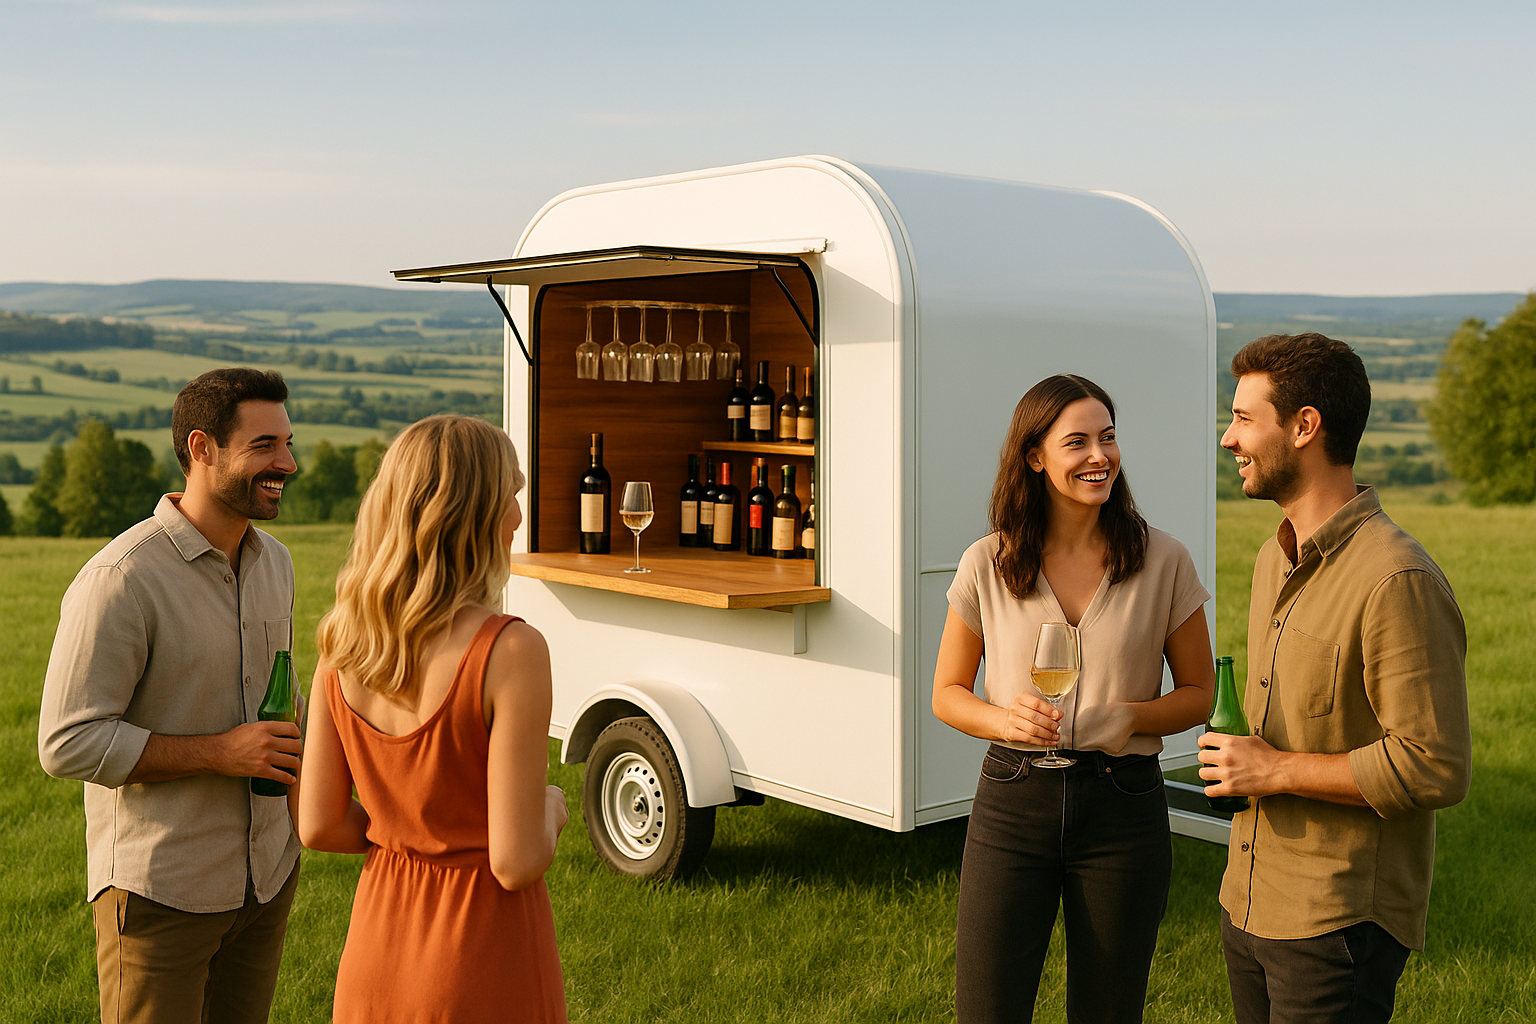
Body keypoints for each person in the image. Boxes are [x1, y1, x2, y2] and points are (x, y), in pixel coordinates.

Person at [1202, 333, 1471, 1024]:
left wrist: (1275, 770)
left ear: (1304, 426)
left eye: (1243, 419)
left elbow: (1434, 766)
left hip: (1336, 924)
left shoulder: (1396, 578)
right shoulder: (1274, 559)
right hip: (1249, 901)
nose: (1229, 439)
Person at [933, 374, 1215, 1024]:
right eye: (1077, 442)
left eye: (1108, 438)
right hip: (1013, 802)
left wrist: (1132, 717)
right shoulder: (987, 562)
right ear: (1035, 456)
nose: (1099, 456)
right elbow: (947, 694)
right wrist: (1003, 719)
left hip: (1124, 807)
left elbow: (1199, 694)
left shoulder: (1164, 560)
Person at [38, 368, 302, 1024]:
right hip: (162, 894)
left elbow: (283, 706)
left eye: (288, 443)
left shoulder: (276, 563)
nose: (288, 464)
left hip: (266, 882)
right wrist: (220, 753)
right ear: (201, 448)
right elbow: (66, 742)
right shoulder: (121, 578)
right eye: (264, 445)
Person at [295, 414, 569, 1024]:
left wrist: (407, 833)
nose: (518, 517)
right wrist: (551, 808)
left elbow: (318, 824)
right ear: (470, 515)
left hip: (377, 946)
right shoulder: (511, 652)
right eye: (510, 496)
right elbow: (515, 861)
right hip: (479, 956)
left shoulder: (342, 645)